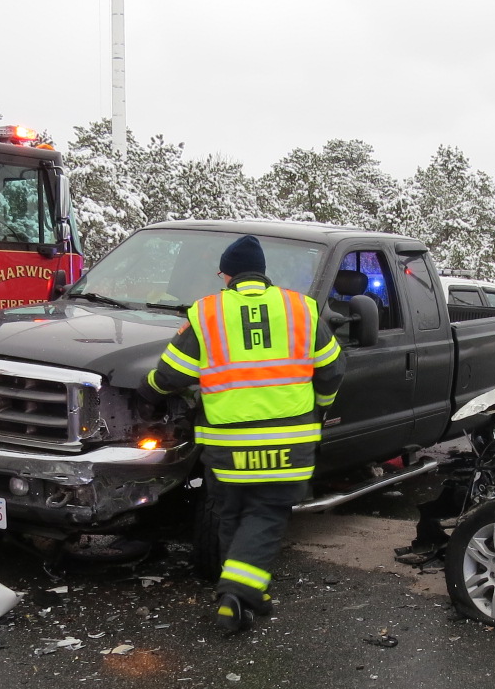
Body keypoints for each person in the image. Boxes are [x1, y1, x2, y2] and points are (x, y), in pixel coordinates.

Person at [139, 235, 344, 633]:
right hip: (288, 440)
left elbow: (170, 375)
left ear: (226, 274)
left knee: (233, 511)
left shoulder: (207, 313)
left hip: (227, 448)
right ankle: (236, 593)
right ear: (263, 273)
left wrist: (147, 391)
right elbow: (332, 369)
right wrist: (321, 405)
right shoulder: (300, 308)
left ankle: (249, 594)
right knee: (266, 514)